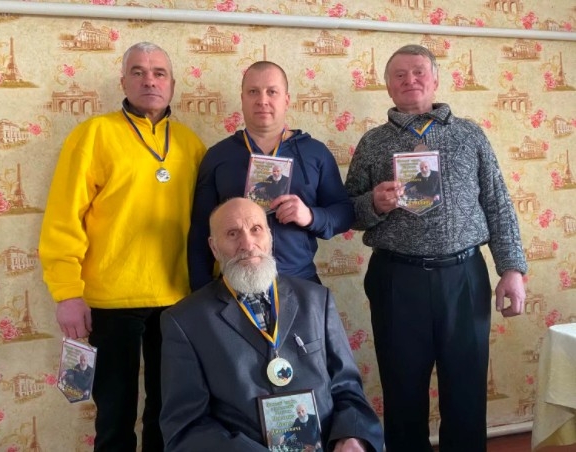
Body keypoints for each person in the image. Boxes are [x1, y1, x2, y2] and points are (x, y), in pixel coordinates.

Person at [344, 44, 527, 452]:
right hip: (396, 279)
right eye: (399, 74)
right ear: (388, 86)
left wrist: (512, 269)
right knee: (402, 390)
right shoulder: (373, 142)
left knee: (467, 390)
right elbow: (347, 211)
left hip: (464, 279)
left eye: (419, 71)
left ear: (436, 79)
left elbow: (497, 202)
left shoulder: (470, 135)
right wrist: (374, 203)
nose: (410, 80)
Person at [39, 42, 206, 451]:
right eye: (138, 71)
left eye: (159, 73)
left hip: (177, 301)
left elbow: (208, 225)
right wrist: (67, 292)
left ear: (172, 84)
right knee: (114, 418)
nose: (150, 80)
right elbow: (63, 218)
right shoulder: (94, 134)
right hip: (110, 303)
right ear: (123, 82)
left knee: (167, 415)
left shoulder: (192, 145)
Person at [160, 197, 384, 452]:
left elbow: (348, 389)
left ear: (270, 236)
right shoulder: (185, 321)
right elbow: (185, 428)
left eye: (256, 229)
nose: (247, 244)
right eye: (232, 234)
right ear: (214, 247)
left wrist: (351, 437)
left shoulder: (316, 300)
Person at [187, 61, 354, 290]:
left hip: (300, 282)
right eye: (253, 92)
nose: (262, 100)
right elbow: (200, 230)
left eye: (272, 92)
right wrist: (202, 293)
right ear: (242, 99)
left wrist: (310, 216)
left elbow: (344, 214)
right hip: (236, 285)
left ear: (286, 99)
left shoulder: (316, 153)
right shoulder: (217, 156)